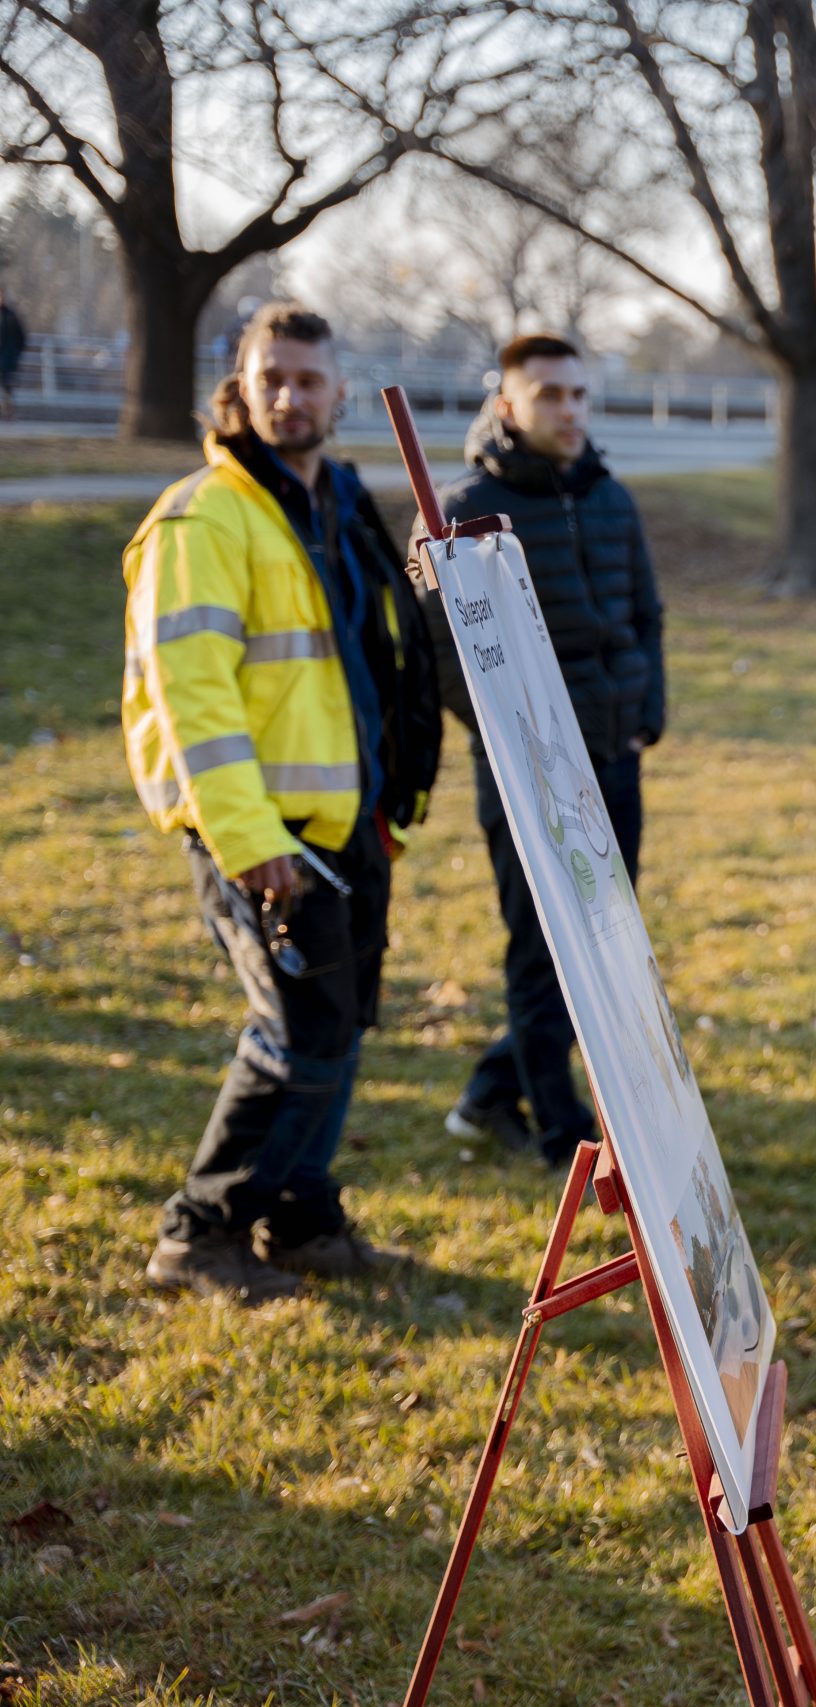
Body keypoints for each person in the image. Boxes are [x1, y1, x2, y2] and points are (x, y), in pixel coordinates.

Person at [121, 301, 441, 1302]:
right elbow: (195, 703)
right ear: (240, 388)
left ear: (340, 389)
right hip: (261, 833)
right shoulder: (202, 519)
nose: (290, 397)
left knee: (339, 1027)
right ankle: (196, 1229)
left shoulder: (339, 506)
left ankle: (297, 1219)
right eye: (272, 379)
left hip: (349, 821)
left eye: (308, 379)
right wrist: (250, 839)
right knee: (295, 1033)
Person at [432, 333, 666, 1166]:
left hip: (614, 753)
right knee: (544, 948)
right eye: (548, 396)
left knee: (604, 938)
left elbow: (645, 615)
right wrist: (511, 743)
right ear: (508, 406)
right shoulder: (462, 514)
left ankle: (491, 1089)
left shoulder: (610, 497)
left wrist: (648, 714)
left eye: (578, 394)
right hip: (527, 775)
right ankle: (558, 1129)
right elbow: (443, 657)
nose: (568, 410)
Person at [0, 289, 25, 421]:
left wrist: (16, 353)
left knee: (7, 388)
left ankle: (8, 413)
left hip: (7, 359)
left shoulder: (11, 316)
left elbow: (21, 337)